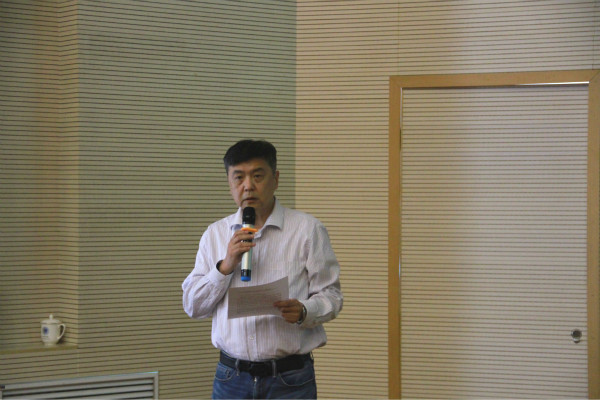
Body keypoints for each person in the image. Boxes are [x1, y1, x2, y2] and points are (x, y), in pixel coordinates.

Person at [182, 139, 343, 399]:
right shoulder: (214, 235)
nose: (248, 186)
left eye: (257, 176)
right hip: (231, 378)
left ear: (275, 179)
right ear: (229, 183)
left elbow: (332, 296)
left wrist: (305, 310)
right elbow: (193, 306)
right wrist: (224, 266)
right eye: (239, 177)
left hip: (290, 379)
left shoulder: (307, 230)